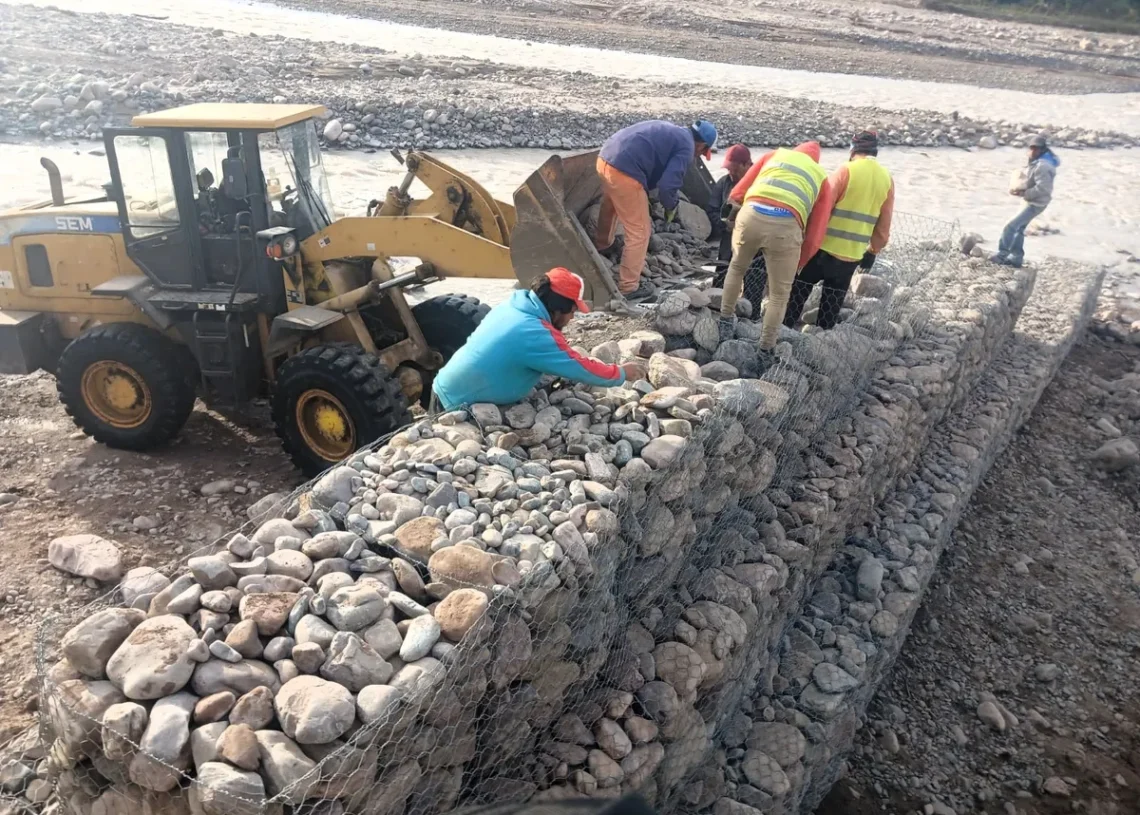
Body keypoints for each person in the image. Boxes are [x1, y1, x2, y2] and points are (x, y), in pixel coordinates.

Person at [431, 268, 638, 411]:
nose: (573, 318)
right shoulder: (534, 333)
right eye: (573, 311)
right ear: (558, 309)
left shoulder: (514, 306)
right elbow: (579, 367)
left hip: (445, 388)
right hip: (456, 405)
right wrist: (621, 373)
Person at [720, 141, 832, 351]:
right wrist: (800, 261)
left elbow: (739, 191)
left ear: (796, 150)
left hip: (751, 215)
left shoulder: (775, 155)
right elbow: (816, 231)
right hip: (786, 226)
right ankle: (765, 348)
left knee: (736, 268)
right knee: (779, 294)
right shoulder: (821, 177)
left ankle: (724, 322)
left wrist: (733, 214)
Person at [784, 130, 895, 331]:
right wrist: (873, 250)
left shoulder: (846, 171)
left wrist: (805, 237)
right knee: (830, 307)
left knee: (798, 292)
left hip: (822, 250)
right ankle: (822, 340)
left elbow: (822, 207)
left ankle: (784, 330)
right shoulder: (887, 179)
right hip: (851, 256)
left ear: (853, 150)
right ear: (875, 151)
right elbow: (884, 222)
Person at [595, 119, 718, 300]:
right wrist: (671, 206)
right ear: (701, 145)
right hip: (625, 171)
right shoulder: (686, 147)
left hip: (605, 158)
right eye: (701, 152)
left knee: (611, 205)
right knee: (640, 232)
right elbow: (667, 186)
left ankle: (602, 245)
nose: (698, 156)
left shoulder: (674, 132)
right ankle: (628, 287)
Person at [990, 133, 1059, 268]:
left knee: (1010, 226)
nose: (1032, 151)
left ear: (1042, 150)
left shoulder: (1042, 166)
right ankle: (1016, 258)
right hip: (1032, 200)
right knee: (1019, 228)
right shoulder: (1037, 162)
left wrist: (1024, 193)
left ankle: (1002, 255)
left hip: (1036, 203)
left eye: (1036, 149)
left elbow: (1043, 189)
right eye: (1031, 148)